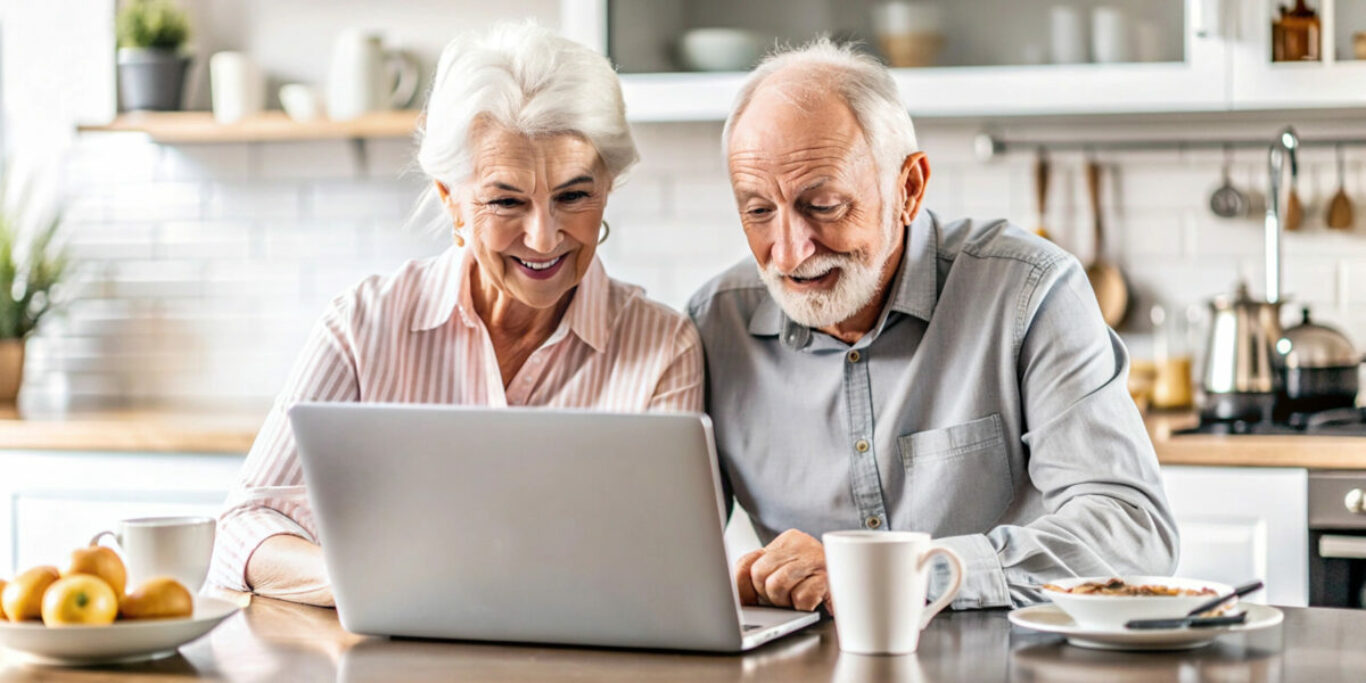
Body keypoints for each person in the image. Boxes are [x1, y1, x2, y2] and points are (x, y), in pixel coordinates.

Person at [209, 23, 703, 606]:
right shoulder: (364, 325)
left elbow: (667, 561)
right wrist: (381, 583)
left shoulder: (663, 345)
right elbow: (245, 526)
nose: (544, 238)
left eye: (573, 196)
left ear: (608, 186)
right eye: (506, 200)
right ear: (451, 200)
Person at [687, 40, 1178, 613]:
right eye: (758, 211)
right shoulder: (715, 324)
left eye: (823, 205)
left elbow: (1132, 533)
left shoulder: (1029, 291)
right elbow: (664, 552)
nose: (791, 251)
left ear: (909, 189)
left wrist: (886, 576)